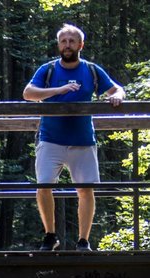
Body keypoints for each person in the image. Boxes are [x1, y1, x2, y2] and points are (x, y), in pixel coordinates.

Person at [22, 23, 125, 252]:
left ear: (80, 45)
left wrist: (116, 96)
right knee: (43, 185)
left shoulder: (91, 70)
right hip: (50, 138)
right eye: (63, 41)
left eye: (71, 41)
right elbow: (28, 93)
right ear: (58, 45)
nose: (67, 45)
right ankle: (50, 236)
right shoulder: (48, 70)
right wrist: (58, 90)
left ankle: (83, 241)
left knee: (86, 190)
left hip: (82, 140)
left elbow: (116, 89)